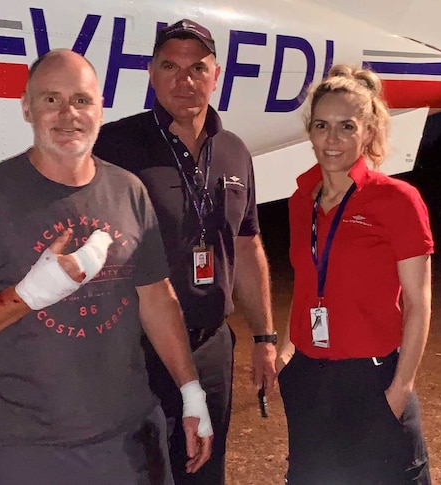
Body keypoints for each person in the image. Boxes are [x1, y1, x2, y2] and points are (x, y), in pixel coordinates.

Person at [0, 49, 212, 485]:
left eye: (81, 100)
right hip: (29, 450)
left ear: (100, 108)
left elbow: (156, 297)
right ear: (27, 108)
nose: (68, 114)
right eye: (50, 100)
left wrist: (191, 392)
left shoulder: (127, 190)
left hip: (134, 439)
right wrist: (28, 295)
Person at [94, 18, 277, 485]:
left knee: (203, 470)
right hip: (135, 347)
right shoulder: (116, 145)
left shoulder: (235, 150)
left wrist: (264, 337)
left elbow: (246, 242)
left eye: (198, 68)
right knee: (135, 471)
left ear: (216, 76)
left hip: (212, 345)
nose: (186, 80)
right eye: (171, 67)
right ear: (152, 74)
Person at [275, 64, 434, 484]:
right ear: (309, 130)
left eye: (347, 126)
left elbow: (418, 303)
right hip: (309, 378)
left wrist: (399, 390)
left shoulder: (398, 200)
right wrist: (287, 352)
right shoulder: (300, 201)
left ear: (368, 132)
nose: (332, 139)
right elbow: (308, 282)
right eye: (323, 126)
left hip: (373, 378)